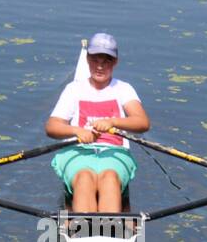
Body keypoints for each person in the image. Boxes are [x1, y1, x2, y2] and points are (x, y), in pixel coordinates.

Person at [45, 32, 150, 213]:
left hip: (114, 153)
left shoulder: (124, 89)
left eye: (106, 61)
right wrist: (77, 131)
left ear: (115, 62)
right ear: (87, 60)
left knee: (109, 178)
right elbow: (52, 126)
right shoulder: (73, 89)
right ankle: (84, 227)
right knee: (85, 178)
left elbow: (142, 123)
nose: (100, 67)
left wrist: (112, 121)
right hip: (78, 151)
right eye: (95, 60)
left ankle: (109, 228)